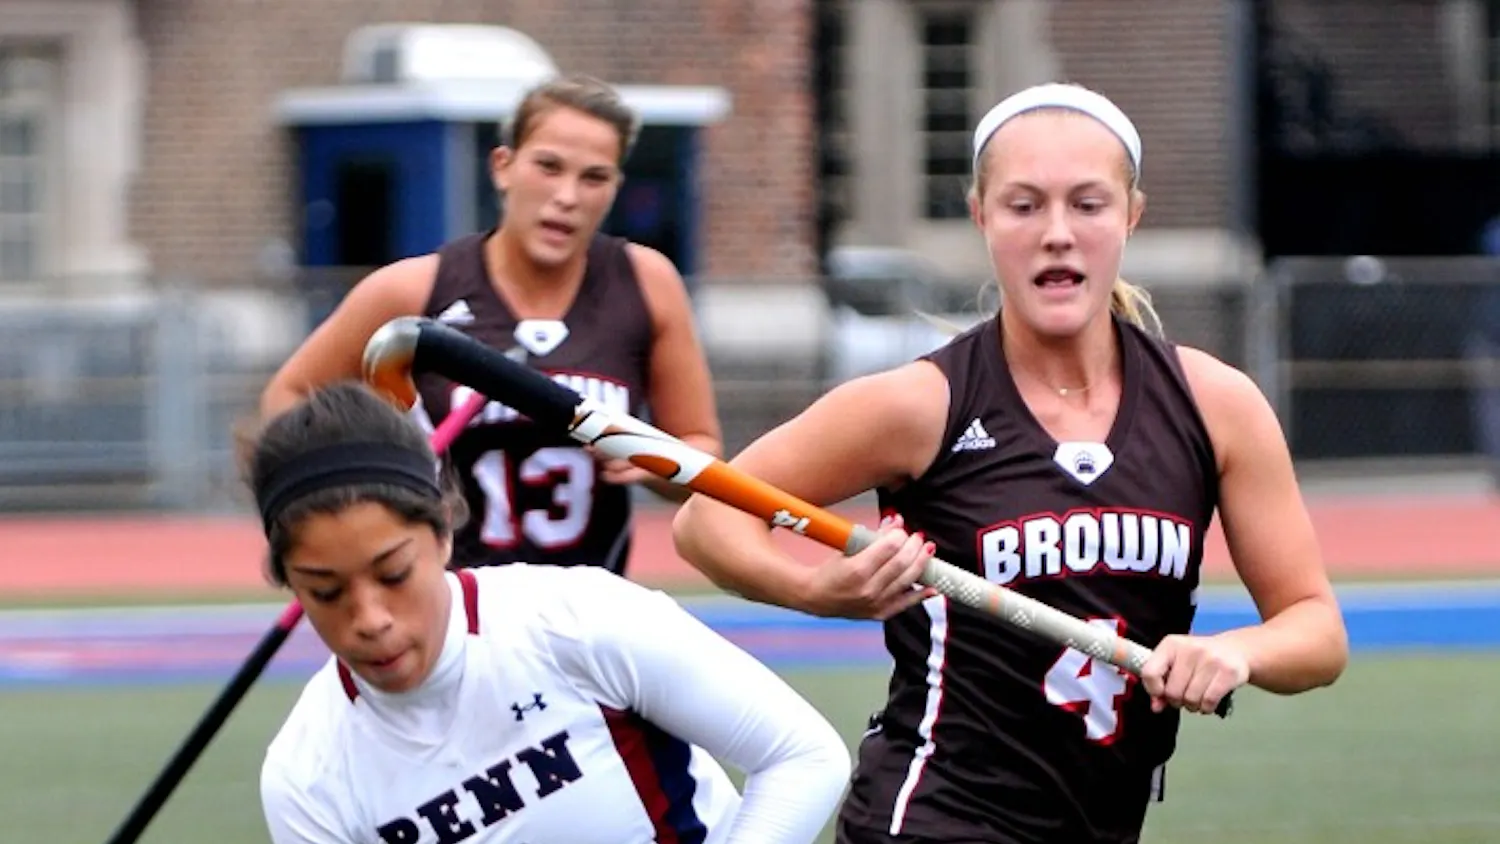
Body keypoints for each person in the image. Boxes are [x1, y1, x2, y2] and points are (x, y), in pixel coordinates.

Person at [672, 82, 1349, 843]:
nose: (1057, 233)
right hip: (932, 818)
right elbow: (708, 517)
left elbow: (1316, 630)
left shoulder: (1216, 405)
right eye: (1024, 206)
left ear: (1131, 215)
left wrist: (1234, 653)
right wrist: (820, 591)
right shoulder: (923, 404)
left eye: (1088, 205)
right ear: (981, 216)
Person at [249, 381, 851, 844]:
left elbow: (803, 756)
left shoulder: (577, 617)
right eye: (326, 592)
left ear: (441, 534)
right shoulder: (307, 777)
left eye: (393, 574)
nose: (371, 618)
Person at [260, 73, 721, 574]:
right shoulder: (412, 291)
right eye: (548, 166)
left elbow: (701, 449)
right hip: (448, 605)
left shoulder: (647, 283)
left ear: (614, 189)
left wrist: (656, 465)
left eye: (594, 177)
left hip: (588, 609)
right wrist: (343, 495)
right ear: (503, 166)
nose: (567, 196)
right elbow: (289, 397)